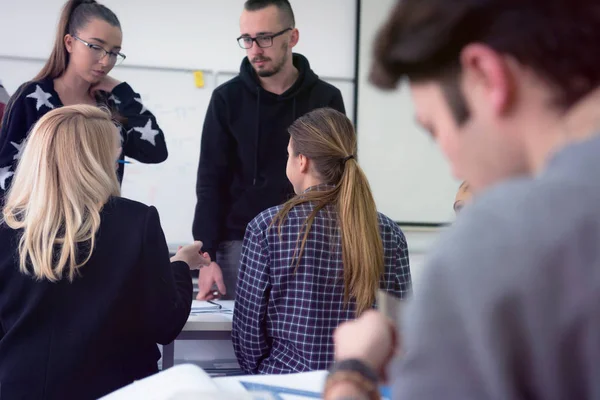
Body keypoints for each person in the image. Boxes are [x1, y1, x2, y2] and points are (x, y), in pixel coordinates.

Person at [327, 0, 600, 399]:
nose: (454, 168)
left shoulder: (500, 240)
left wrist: (352, 371)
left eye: (434, 129)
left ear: (486, 76)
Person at [0, 105, 209, 399]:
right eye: (116, 157)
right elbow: (164, 323)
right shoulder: (137, 221)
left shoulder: (8, 225)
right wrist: (181, 266)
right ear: (96, 162)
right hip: (117, 390)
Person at [232, 108, 411, 374]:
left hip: (283, 385)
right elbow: (401, 328)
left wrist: (263, 376)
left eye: (288, 154)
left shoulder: (268, 227)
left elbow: (248, 333)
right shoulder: (389, 232)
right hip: (361, 387)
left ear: (301, 161)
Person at [193, 0, 346, 300]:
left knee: (307, 337)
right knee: (242, 341)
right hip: (240, 245)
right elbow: (210, 182)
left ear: (292, 37)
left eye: (264, 38)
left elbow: (340, 179)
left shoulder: (326, 98)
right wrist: (206, 256)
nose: (254, 49)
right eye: (247, 40)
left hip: (311, 244)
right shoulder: (226, 99)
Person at [0, 0, 167, 198]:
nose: (105, 61)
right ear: (69, 42)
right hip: (43, 226)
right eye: (95, 47)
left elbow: (155, 150)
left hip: (104, 225)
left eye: (114, 53)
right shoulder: (31, 97)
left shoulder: (112, 102)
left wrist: (122, 91)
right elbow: (6, 174)